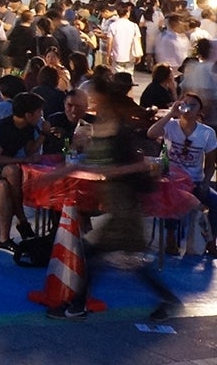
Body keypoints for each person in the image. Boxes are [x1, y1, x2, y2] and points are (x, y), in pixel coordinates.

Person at [51, 76, 182, 321]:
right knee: (130, 261)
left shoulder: (119, 129)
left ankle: (77, 305)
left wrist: (111, 172)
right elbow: (87, 159)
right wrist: (55, 176)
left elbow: (140, 165)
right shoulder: (103, 125)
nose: (88, 101)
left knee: (96, 254)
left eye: (91, 97)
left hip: (126, 206)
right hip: (118, 203)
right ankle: (167, 299)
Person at [147, 93, 217, 258]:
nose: (188, 108)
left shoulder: (207, 133)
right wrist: (171, 114)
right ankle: (171, 237)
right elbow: (151, 133)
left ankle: (211, 240)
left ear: (200, 110)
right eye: (185, 104)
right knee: (173, 196)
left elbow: (210, 164)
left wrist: (206, 182)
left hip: (194, 181)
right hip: (171, 180)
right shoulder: (171, 126)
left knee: (215, 202)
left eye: (193, 105)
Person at [0, 92, 47, 253]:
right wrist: (24, 161)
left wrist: (43, 134)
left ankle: (3, 240)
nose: (41, 115)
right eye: (39, 112)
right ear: (28, 114)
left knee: (3, 187)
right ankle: (22, 219)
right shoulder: (2, 127)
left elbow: (30, 150)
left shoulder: (28, 127)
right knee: (13, 170)